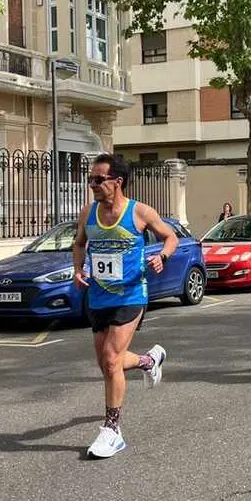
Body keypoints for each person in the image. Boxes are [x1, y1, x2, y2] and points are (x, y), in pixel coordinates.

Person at [72, 154, 177, 459]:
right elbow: (79, 243)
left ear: (117, 182)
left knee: (110, 358)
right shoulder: (88, 213)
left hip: (131, 295)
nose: (92, 185)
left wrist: (162, 256)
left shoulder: (139, 212)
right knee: (107, 363)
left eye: (98, 179)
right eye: (90, 179)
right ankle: (148, 361)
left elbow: (170, 237)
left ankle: (112, 429)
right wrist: (78, 269)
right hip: (98, 295)